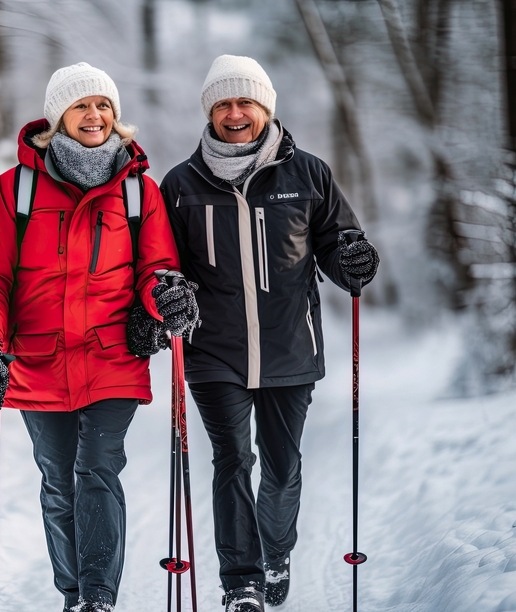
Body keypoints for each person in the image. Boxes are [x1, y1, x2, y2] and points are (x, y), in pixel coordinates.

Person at [0, 62, 200, 612]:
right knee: (57, 482)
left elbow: (155, 266)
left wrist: (162, 295)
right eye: (81, 106)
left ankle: (97, 596)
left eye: (104, 106)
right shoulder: (12, 191)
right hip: (37, 363)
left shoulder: (139, 192)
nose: (95, 115)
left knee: (97, 467)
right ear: (57, 118)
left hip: (112, 357)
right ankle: (72, 592)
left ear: (115, 117)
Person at [159, 55, 380, 612]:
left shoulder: (308, 174)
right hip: (214, 352)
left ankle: (276, 551)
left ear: (265, 108)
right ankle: (242, 582)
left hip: (289, 347)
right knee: (231, 461)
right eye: (223, 104)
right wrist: (163, 298)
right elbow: (163, 264)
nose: (235, 114)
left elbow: (336, 244)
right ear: (210, 111)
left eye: (245, 103)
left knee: (282, 467)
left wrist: (352, 258)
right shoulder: (181, 184)